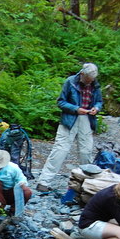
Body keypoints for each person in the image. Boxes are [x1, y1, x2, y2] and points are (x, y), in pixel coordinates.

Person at [36, 63, 103, 192]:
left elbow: (99, 101)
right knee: (60, 150)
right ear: (82, 74)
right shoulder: (70, 81)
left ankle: (86, 183)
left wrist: (97, 108)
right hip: (69, 119)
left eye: (92, 80)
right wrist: (76, 109)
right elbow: (61, 102)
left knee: (86, 151)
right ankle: (43, 182)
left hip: (87, 120)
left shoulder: (95, 84)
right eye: (88, 79)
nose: (90, 82)